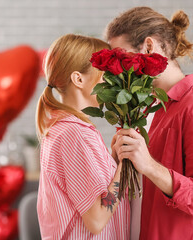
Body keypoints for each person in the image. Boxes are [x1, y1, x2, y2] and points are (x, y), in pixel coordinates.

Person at [107, 7, 193, 240]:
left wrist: (150, 166)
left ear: (149, 47)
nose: (119, 69)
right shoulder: (147, 107)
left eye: (123, 58)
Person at [35, 34, 130, 239]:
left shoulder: (63, 129)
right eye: (104, 76)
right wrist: (125, 168)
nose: (110, 84)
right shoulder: (74, 134)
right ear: (78, 79)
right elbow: (96, 220)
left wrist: (112, 162)